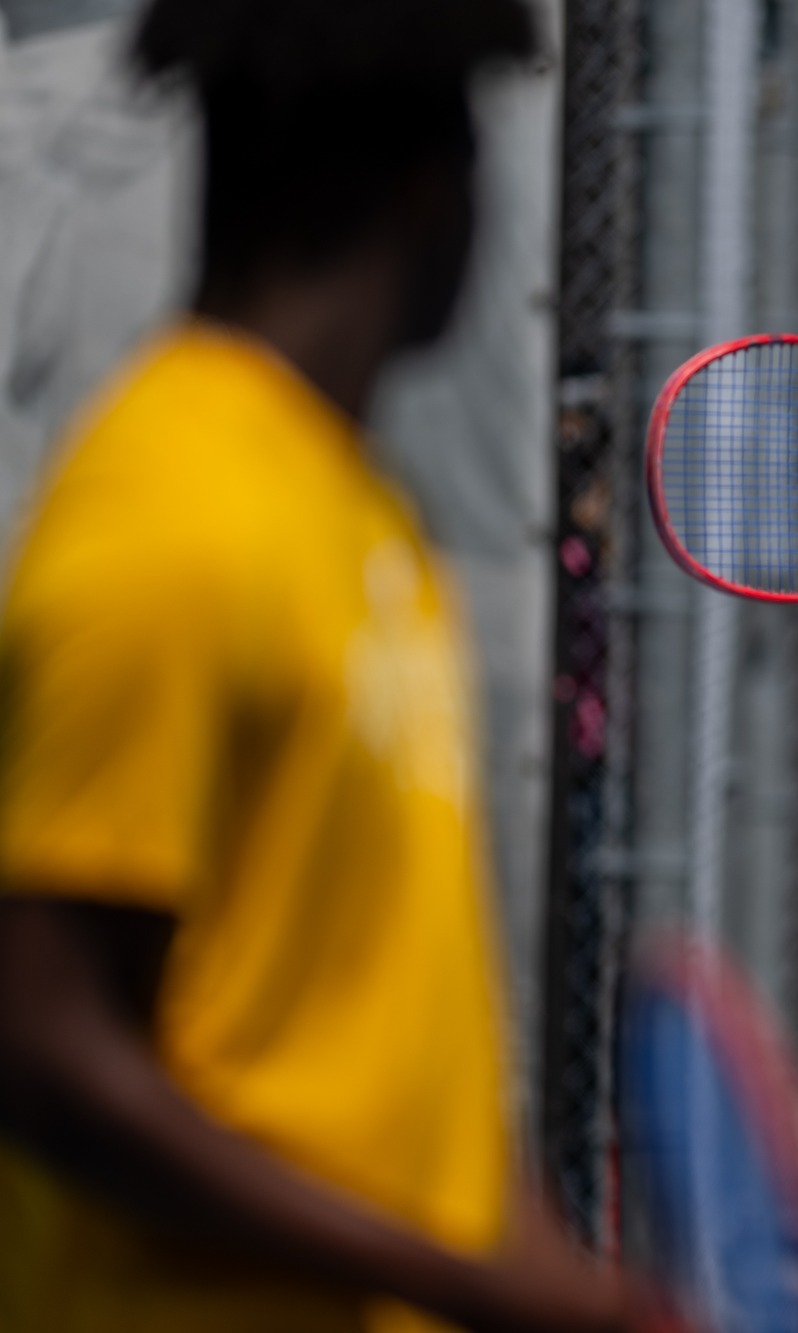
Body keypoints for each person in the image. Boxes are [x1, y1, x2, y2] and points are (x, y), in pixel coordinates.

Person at [0, 2, 645, 1330]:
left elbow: (393, 1047)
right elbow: (39, 1043)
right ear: (435, 187)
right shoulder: (166, 519)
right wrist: (454, 1274)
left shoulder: (359, 518)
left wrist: (560, 1275)